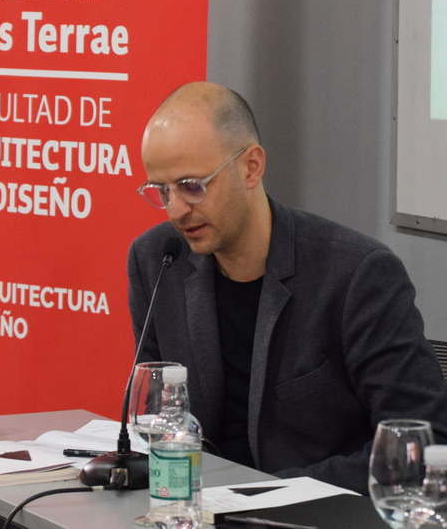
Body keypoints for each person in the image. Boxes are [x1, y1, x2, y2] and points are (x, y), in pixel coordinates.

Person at [127, 81, 447, 495]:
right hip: (194, 505)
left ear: (251, 167)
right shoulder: (157, 260)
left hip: (316, 510)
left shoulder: (356, 274)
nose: (176, 209)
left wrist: (262, 494)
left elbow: (423, 445)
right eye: (161, 190)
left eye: (192, 186)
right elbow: (158, 416)